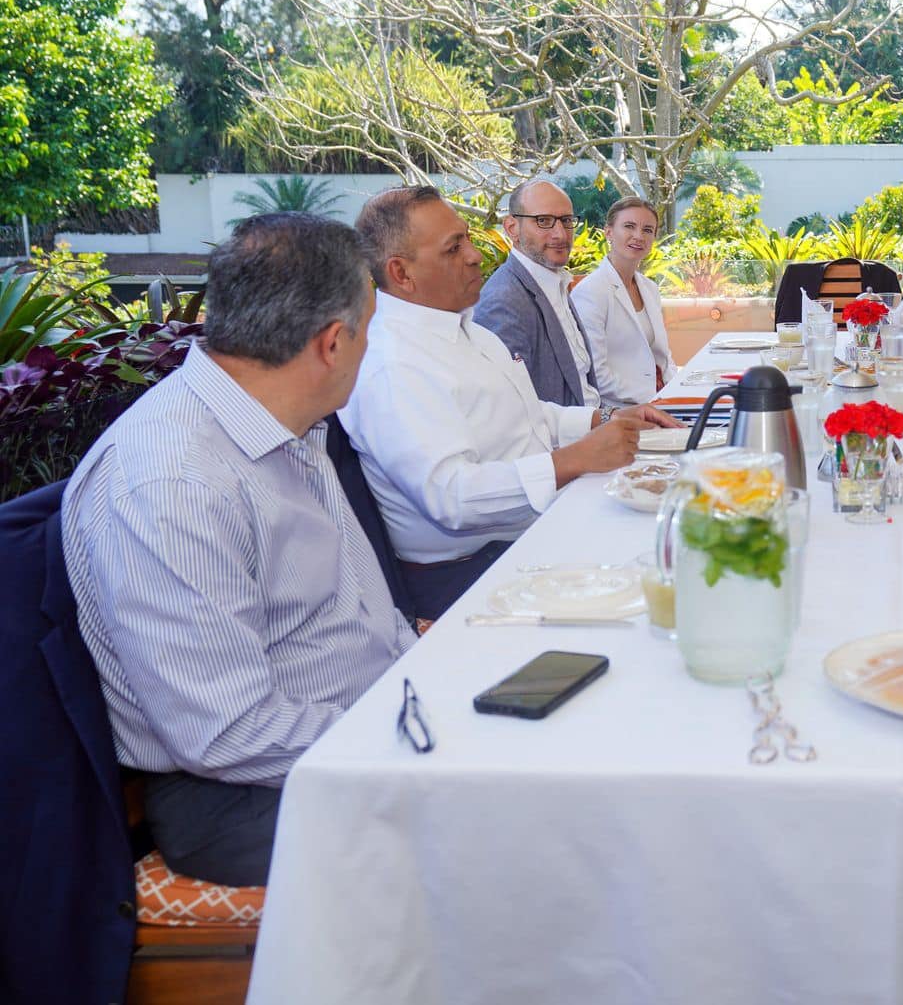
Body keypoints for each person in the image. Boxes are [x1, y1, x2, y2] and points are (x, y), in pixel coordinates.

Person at [61, 213, 416, 886]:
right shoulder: (171, 481)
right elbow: (227, 731)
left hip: (360, 731)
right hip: (248, 794)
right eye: (372, 331)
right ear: (334, 343)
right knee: (513, 833)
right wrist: (413, 741)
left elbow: (358, 612)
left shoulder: (285, 422)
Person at [340, 186, 677, 621]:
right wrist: (571, 462)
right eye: (453, 247)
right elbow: (453, 496)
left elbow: (526, 414)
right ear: (401, 273)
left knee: (675, 527)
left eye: (468, 238)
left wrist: (603, 417)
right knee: (656, 582)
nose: (476, 255)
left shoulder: (467, 331)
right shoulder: (392, 365)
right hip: (473, 573)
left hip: (533, 532)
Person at [476, 177, 601, 407]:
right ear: (512, 227)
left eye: (566, 220)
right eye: (543, 221)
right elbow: (512, 409)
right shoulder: (504, 301)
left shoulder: (555, 281)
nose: (560, 234)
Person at [571, 196, 677, 405]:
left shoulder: (650, 288)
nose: (638, 236)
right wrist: (653, 400)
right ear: (608, 232)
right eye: (629, 226)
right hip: (620, 410)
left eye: (647, 230)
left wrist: (676, 394)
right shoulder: (591, 292)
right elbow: (596, 374)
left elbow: (664, 359)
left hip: (660, 399)